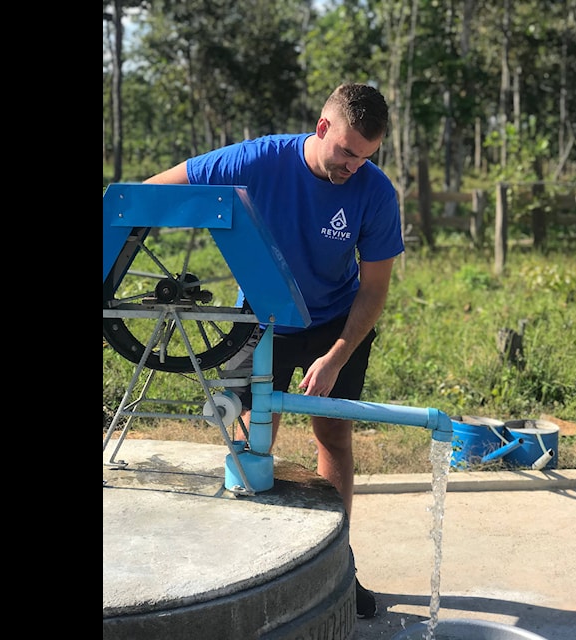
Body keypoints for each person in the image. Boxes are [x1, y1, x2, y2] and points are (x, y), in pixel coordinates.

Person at [143, 83, 403, 619]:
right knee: (248, 436)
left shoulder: (375, 192)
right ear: (323, 127)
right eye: (347, 152)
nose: (354, 165)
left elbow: (374, 289)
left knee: (332, 431)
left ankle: (338, 566)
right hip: (261, 316)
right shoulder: (259, 158)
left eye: (366, 157)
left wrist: (335, 355)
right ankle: (240, 572)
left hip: (336, 321)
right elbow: (152, 192)